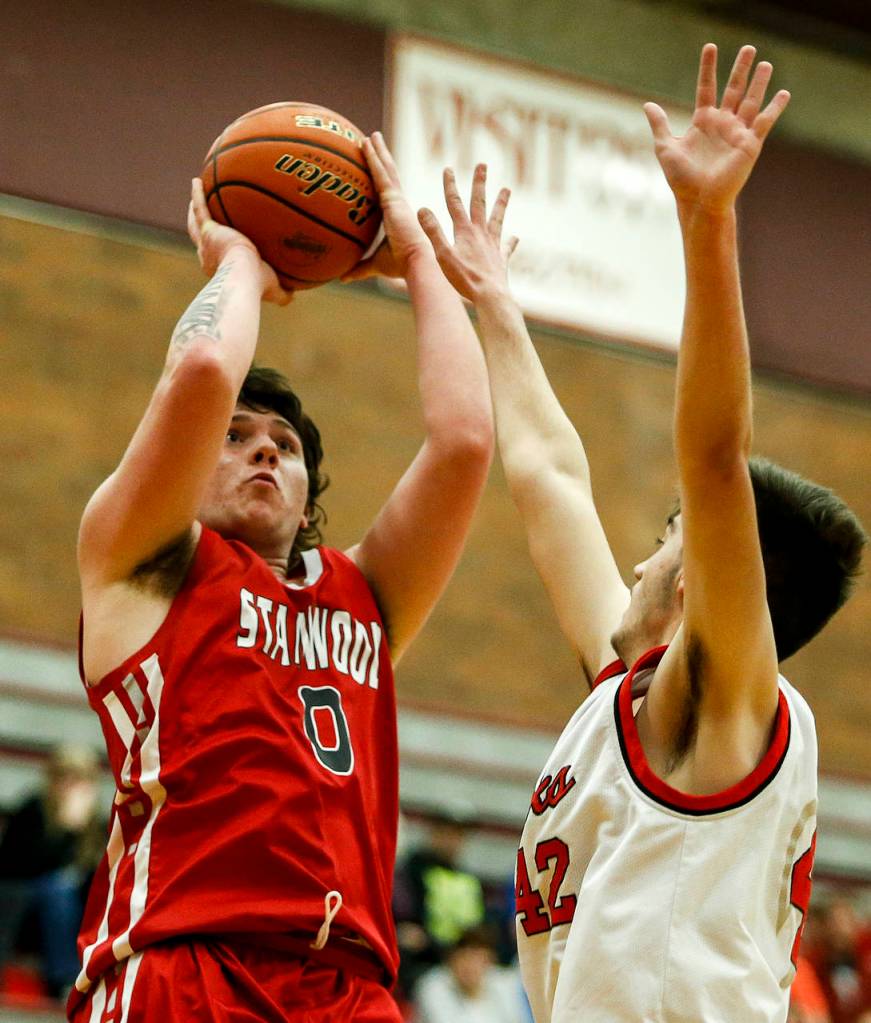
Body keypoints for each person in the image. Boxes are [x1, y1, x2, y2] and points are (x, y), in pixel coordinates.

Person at [418, 43, 866, 1023]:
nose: (637, 556)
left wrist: (708, 225)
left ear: (709, 569)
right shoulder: (641, 702)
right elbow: (548, 479)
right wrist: (494, 304)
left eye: (668, 537)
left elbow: (713, 459)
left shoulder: (731, 709)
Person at [68, 131, 493, 1023]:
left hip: (350, 987)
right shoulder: (141, 560)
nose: (265, 445)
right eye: (237, 435)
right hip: (188, 964)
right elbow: (202, 366)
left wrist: (416, 254)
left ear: (307, 500)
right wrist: (241, 262)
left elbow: (463, 443)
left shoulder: (361, 595)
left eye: (287, 445)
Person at [0, 744, 103, 999]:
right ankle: (64, 979)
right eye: (63, 776)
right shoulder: (32, 810)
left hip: (73, 913)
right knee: (57, 889)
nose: (70, 785)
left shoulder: (97, 823)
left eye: (80, 779)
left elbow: (95, 877)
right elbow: (16, 866)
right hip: (29, 907)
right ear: (52, 778)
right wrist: (67, 830)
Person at [392, 806, 486, 997]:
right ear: (433, 833)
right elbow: (409, 929)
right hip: (426, 961)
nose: (452, 841)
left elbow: (478, 930)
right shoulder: (412, 871)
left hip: (462, 960)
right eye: (447, 833)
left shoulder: (470, 879)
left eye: (458, 835)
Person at [414, 924, 527, 1023]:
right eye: (464, 957)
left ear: (489, 961)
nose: (469, 966)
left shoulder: (503, 983)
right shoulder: (432, 987)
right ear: (451, 960)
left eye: (476, 958)